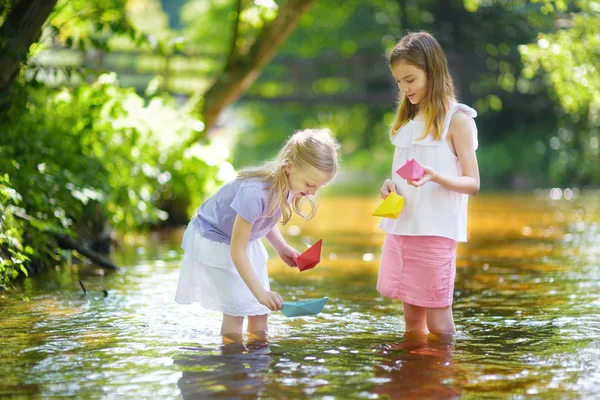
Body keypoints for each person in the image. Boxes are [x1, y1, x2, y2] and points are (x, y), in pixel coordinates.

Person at [175, 128, 340, 341]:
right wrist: (260, 292)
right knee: (237, 311)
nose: (313, 192)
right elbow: (237, 251)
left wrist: (281, 247)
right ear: (289, 167)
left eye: (319, 187)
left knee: (260, 312)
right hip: (217, 240)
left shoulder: (291, 186)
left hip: (243, 242)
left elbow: (265, 220)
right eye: (310, 184)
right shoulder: (253, 194)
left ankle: (257, 364)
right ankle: (233, 364)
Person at [377, 31, 480, 336]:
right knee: (411, 320)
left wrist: (436, 176)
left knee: (437, 321)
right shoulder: (408, 121)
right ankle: (415, 379)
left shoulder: (456, 119)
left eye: (410, 79)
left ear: (431, 72)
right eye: (399, 82)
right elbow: (403, 174)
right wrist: (389, 185)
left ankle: (442, 381)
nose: (404, 88)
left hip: (435, 230)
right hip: (403, 227)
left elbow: (472, 183)